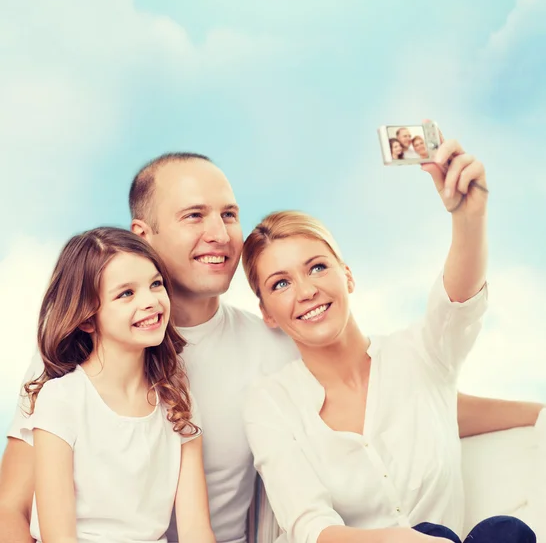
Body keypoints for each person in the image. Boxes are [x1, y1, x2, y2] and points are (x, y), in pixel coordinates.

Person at [1, 152, 544, 543]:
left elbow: (406, 399)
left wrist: (536, 413)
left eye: (229, 214)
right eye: (194, 216)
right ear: (143, 235)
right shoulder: (74, 363)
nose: (219, 232)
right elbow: (10, 512)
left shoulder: (274, 344)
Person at [241, 139, 541, 543]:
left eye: (317, 267)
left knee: (504, 533)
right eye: (280, 283)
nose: (306, 290)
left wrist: (469, 217)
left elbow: (458, 303)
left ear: (347, 275)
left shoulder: (419, 356)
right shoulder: (270, 404)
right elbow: (310, 526)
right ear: (267, 313)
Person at [19, 227, 214, 543]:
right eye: (126, 293)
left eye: (155, 284)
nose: (150, 301)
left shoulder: (177, 399)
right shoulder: (62, 399)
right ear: (87, 319)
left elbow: (195, 529)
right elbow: (60, 537)